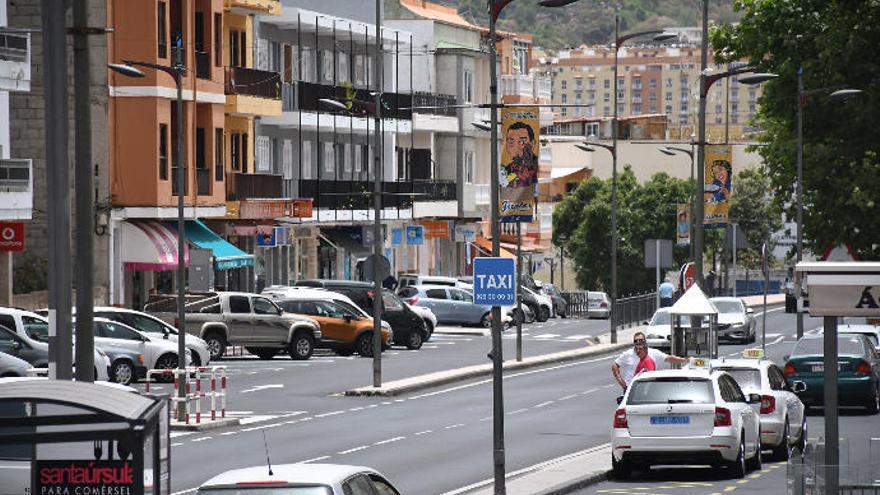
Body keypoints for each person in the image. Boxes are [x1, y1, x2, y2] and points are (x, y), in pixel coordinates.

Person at [612, 332, 690, 391]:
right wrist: (621, 382)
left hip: (646, 389)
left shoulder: (652, 354)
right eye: (636, 341)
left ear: (645, 341)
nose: (638, 342)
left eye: (641, 340)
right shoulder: (628, 354)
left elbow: (668, 358)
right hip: (630, 389)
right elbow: (615, 365)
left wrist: (685, 360)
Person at [501, 121, 538, 187]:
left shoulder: (538, 166)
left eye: (522, 141)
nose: (516, 147)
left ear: (532, 143)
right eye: (511, 142)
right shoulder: (506, 170)